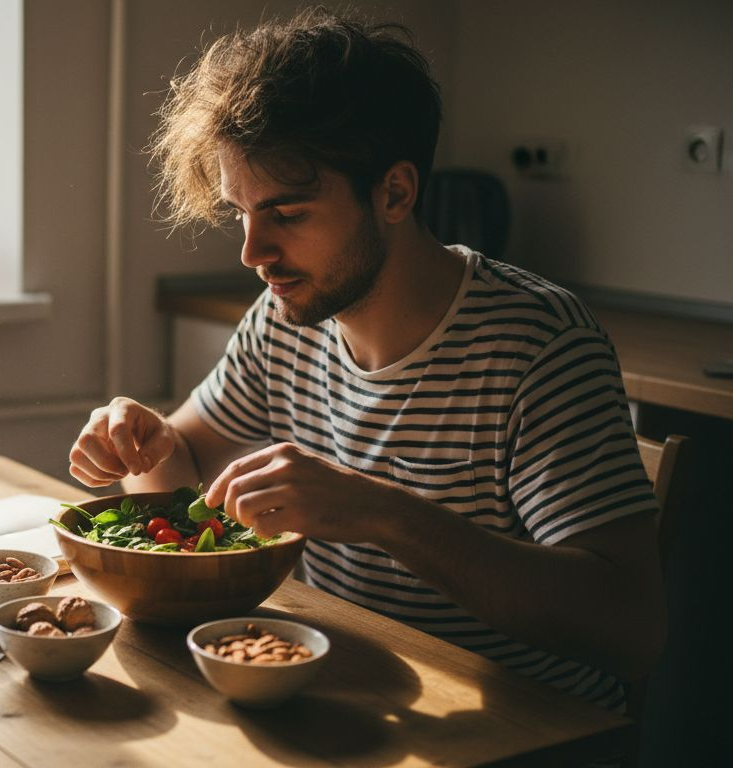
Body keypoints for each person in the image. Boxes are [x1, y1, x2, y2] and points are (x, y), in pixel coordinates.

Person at [67, 8, 665, 712]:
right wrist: (145, 441)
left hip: (521, 730)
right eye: (241, 214)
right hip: (346, 698)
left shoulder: (538, 346)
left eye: (287, 215)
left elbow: (630, 630)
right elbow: (183, 476)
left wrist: (383, 514)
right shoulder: (287, 319)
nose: (252, 254)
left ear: (395, 193)